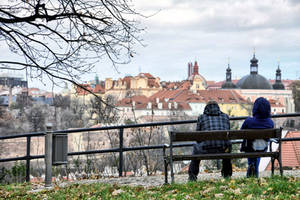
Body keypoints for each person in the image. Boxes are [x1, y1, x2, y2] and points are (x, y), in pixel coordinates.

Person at [188, 100, 232, 181]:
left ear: (206, 108)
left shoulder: (201, 117)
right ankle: (227, 174)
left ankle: (192, 176)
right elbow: (228, 135)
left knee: (195, 149)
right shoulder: (225, 117)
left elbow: (198, 137)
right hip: (222, 150)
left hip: (206, 150)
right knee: (227, 147)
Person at [240, 97, 274, 177]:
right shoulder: (270, 122)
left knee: (251, 147)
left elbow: (241, 132)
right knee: (258, 150)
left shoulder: (248, 121)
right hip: (263, 147)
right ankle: (254, 171)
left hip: (249, 147)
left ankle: (251, 166)